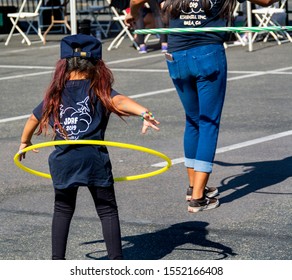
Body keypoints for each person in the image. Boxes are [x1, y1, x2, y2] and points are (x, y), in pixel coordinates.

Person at [127, 0, 279, 213]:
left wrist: (134, 15)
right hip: (207, 54)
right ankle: (198, 198)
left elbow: (135, 1)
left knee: (194, 120)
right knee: (208, 123)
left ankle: (194, 187)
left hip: (177, 55)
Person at [17, 34, 160, 260]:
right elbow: (120, 101)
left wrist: (25, 141)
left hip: (64, 160)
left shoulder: (55, 94)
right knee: (106, 210)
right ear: (97, 64)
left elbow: (33, 119)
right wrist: (144, 112)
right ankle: (115, 261)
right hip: (93, 159)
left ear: (64, 63)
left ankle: (57, 262)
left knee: (63, 209)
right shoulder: (99, 91)